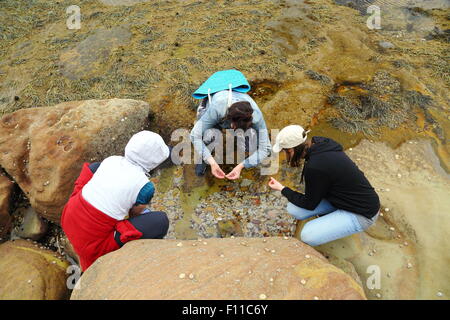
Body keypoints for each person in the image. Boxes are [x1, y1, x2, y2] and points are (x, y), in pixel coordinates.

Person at [61, 131, 170, 271]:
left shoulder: (112, 160)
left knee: (94, 167)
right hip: (92, 246)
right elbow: (134, 215)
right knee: (160, 221)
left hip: (69, 217)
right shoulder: (145, 186)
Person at [268, 125, 380, 246]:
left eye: (285, 151)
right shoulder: (320, 143)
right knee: (293, 209)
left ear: (291, 150)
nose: (285, 155)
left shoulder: (315, 166)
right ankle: (333, 216)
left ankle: (338, 221)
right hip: (342, 199)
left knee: (308, 235)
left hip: (363, 213)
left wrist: (282, 189)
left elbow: (309, 204)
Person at [190, 69, 271, 179]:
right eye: (234, 128)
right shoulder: (217, 108)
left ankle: (247, 143)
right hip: (217, 105)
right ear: (230, 121)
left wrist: (242, 165)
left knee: (253, 140)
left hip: (237, 108)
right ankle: (203, 160)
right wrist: (211, 161)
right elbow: (194, 135)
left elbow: (265, 149)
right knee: (210, 136)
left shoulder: (256, 117)